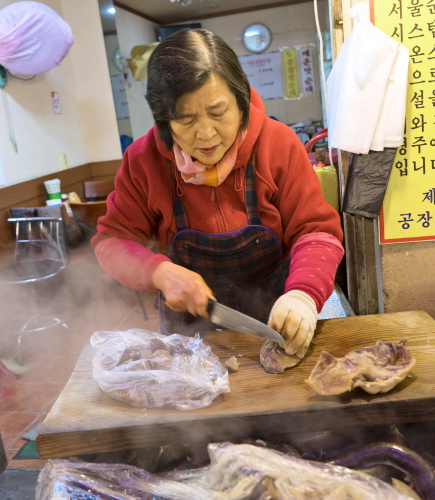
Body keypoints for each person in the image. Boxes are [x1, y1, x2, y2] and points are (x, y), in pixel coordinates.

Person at [92, 29, 343, 360]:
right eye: (186, 120)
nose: (206, 134)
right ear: (164, 120)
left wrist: (303, 295)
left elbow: (317, 231)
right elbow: (112, 242)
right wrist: (157, 271)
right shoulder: (143, 162)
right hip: (188, 335)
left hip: (277, 321)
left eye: (217, 112)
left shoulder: (278, 144)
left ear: (240, 102)